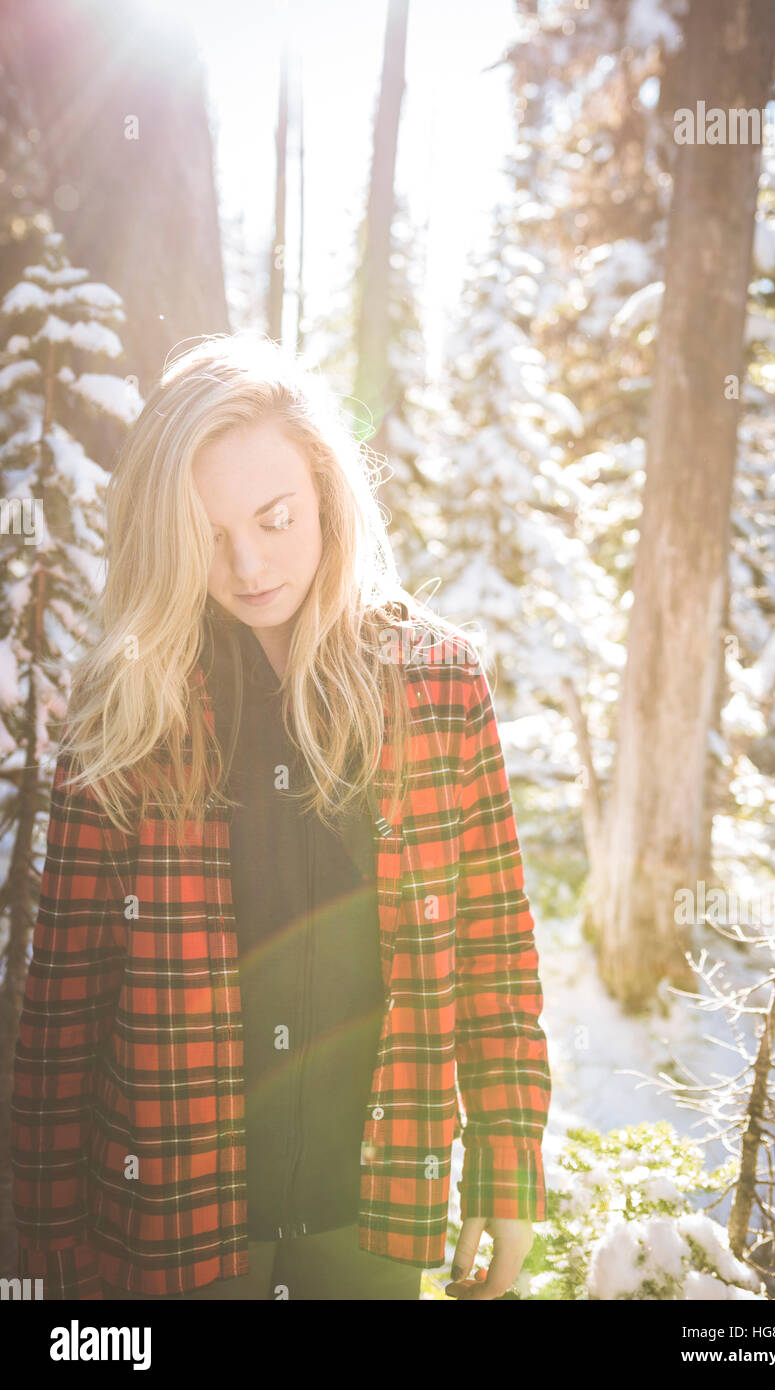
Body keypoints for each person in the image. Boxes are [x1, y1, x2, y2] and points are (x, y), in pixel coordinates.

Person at [10, 333, 551, 1301]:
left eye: (275, 519)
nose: (248, 563)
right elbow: (63, 1000)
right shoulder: (124, 708)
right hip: (173, 1220)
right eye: (208, 533)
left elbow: (494, 948)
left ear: (328, 499)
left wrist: (504, 1171)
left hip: (375, 1214)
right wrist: (38, 1242)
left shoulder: (435, 683)